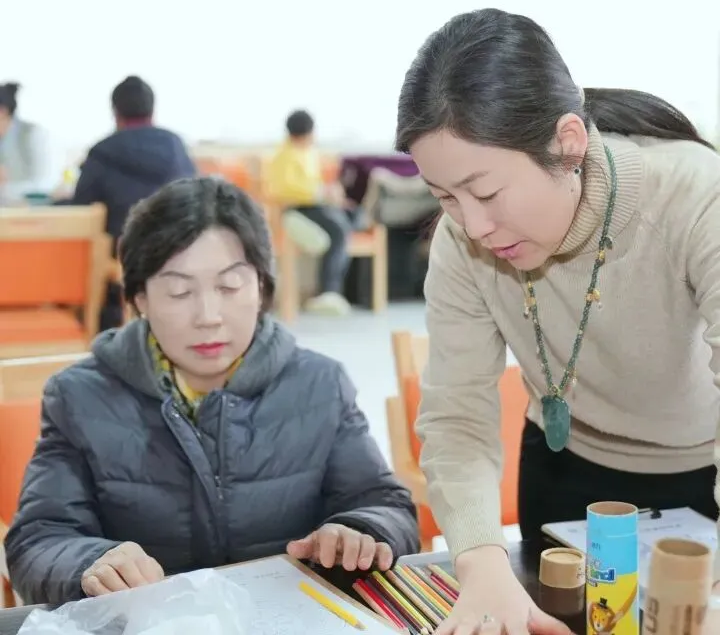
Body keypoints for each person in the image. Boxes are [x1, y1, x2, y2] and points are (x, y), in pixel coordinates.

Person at [395, 8, 720, 634]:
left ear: (568, 143)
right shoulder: (461, 241)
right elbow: (457, 415)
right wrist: (481, 564)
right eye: (445, 198)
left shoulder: (697, 196)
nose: (473, 226)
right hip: (565, 469)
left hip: (702, 478)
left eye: (486, 192)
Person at [5, 176, 418, 606]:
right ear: (140, 298)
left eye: (229, 286)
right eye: (179, 291)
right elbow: (39, 540)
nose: (208, 316)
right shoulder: (79, 397)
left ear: (262, 287)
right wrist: (90, 563)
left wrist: (362, 532)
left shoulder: (319, 384)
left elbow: (385, 505)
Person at [67, 75, 196, 330]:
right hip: (179, 251)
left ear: (115, 112)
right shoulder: (176, 147)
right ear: (152, 109)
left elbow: (80, 209)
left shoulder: (102, 152)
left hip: (122, 261)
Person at [267, 109, 356, 315]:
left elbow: (313, 184)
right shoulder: (284, 155)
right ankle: (328, 292)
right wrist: (320, 192)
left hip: (316, 206)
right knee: (338, 229)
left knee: (351, 217)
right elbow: (283, 189)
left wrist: (330, 193)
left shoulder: (307, 153)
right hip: (299, 209)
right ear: (307, 133)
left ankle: (331, 292)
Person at [0, 82, 55, 202]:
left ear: (2, 111)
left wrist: (5, 188)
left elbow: (44, 184)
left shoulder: (33, 134)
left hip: (34, 208)